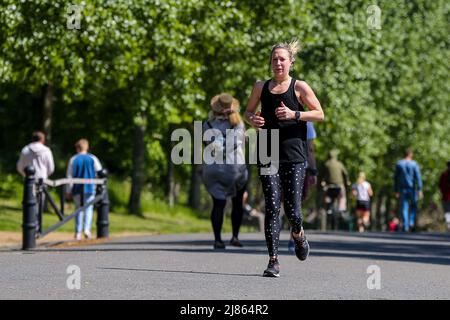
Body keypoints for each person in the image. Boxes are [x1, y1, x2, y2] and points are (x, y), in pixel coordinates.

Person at [244, 40, 324, 277]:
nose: (278, 62)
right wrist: (252, 120)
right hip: (267, 151)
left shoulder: (299, 87)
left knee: (293, 211)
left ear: (290, 62)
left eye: (282, 59)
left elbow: (320, 114)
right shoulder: (261, 87)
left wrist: (295, 114)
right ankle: (273, 261)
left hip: (294, 154)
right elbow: (248, 111)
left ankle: (298, 234)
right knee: (271, 206)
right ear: (270, 63)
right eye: (274, 59)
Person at [202, 93, 248, 249]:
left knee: (218, 204)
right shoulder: (238, 124)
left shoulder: (207, 124)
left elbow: (207, 145)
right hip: (235, 169)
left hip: (213, 169)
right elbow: (235, 144)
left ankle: (218, 240)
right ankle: (235, 237)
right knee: (237, 203)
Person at [17, 131, 55, 232]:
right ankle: (36, 227)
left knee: (29, 203)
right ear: (42, 140)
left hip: (29, 181)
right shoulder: (46, 150)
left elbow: (20, 166)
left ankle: (30, 226)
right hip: (42, 180)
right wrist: (45, 175)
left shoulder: (25, 149)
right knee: (39, 204)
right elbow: (51, 168)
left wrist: (25, 175)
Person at [66, 139, 102, 240]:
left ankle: (78, 232)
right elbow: (99, 172)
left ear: (77, 148)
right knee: (89, 209)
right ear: (87, 147)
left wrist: (68, 190)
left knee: (78, 209)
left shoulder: (73, 159)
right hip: (90, 187)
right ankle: (87, 229)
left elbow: (69, 176)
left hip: (77, 188)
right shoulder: (93, 158)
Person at [394, 149, 423, 232]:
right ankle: (411, 221)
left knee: (404, 207)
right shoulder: (414, 164)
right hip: (412, 189)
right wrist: (420, 189)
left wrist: (396, 189)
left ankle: (406, 225)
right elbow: (418, 177)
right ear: (410, 154)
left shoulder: (399, 163)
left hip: (402, 189)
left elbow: (395, 178)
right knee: (414, 205)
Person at [438, 161, 450, 231]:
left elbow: (440, 185)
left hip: (445, 196)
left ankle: (449, 224)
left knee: (447, 211)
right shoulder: (444, 174)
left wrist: (442, 192)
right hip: (446, 195)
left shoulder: (444, 174)